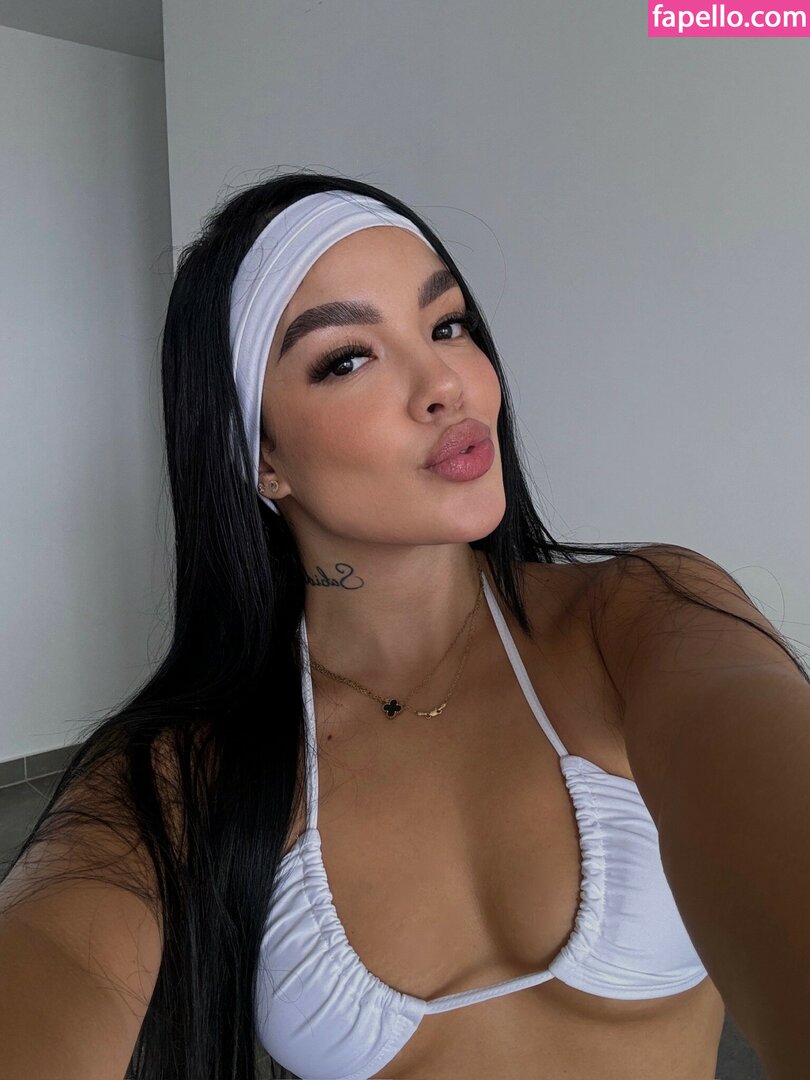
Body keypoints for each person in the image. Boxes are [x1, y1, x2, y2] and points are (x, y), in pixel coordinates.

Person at [0, 171, 806, 1080]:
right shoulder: (180, 772)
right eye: (348, 358)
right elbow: (55, 953)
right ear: (262, 457)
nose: (443, 385)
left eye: (447, 325)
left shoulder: (639, 622)